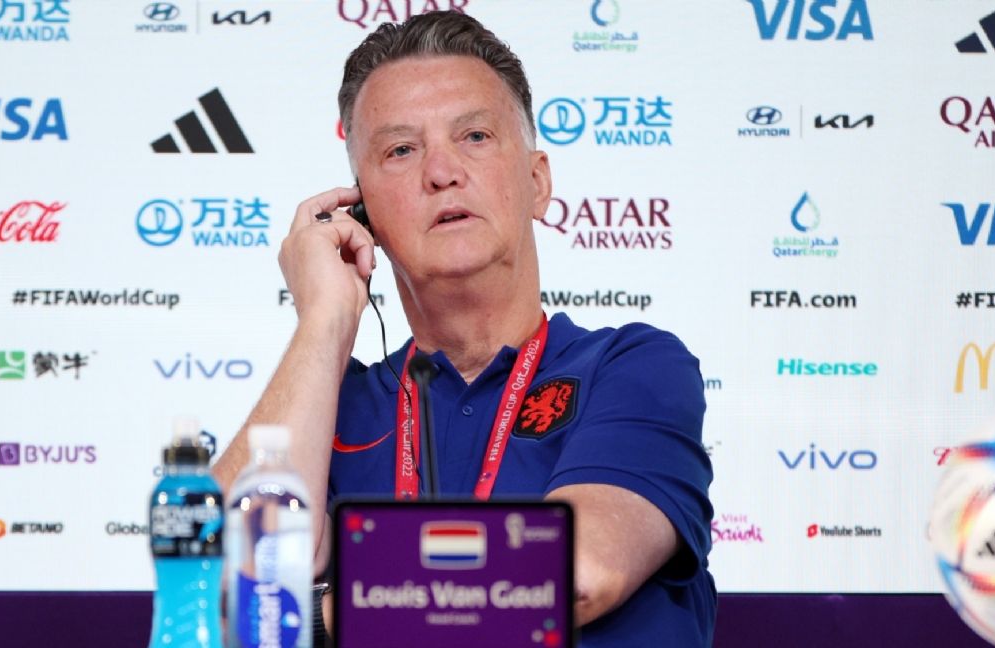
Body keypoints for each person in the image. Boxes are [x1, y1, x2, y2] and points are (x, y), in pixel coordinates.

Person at [212, 10, 715, 646]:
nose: (441, 171)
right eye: (401, 150)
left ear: (537, 182)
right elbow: (214, 595)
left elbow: (577, 573)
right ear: (361, 212)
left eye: (474, 136)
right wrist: (325, 317)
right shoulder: (334, 406)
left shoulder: (633, 366)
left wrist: (312, 619)